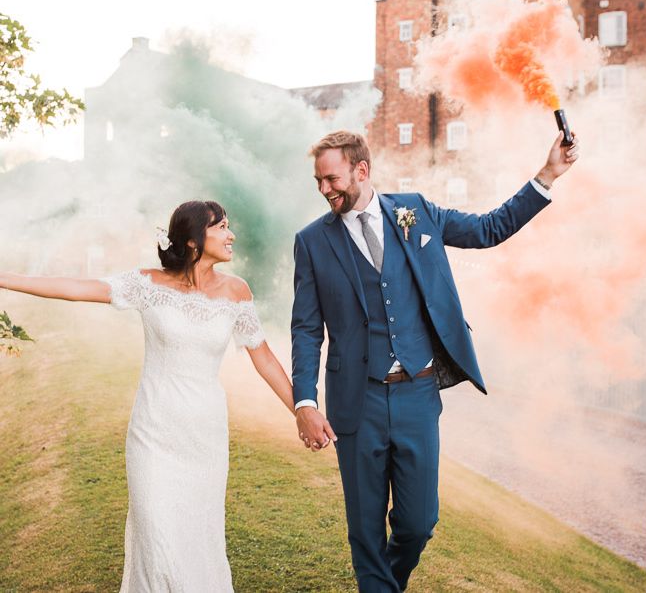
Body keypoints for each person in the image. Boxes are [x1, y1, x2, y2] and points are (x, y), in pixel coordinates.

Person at [291, 130, 579, 592]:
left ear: (361, 171)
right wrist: (304, 401)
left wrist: (547, 175)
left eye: (332, 178)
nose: (325, 190)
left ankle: (388, 582)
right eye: (318, 181)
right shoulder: (311, 242)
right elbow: (306, 329)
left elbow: (488, 229)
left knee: (418, 523)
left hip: (417, 396)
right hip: (355, 400)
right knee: (365, 531)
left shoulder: (416, 212)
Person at [0, 200, 295, 592]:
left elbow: (266, 360)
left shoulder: (236, 292)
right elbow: (75, 289)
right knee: (156, 540)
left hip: (204, 436)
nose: (231, 234)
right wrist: (4, 277)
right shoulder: (147, 284)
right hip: (153, 433)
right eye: (222, 227)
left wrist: (303, 409)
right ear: (193, 240)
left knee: (199, 539)